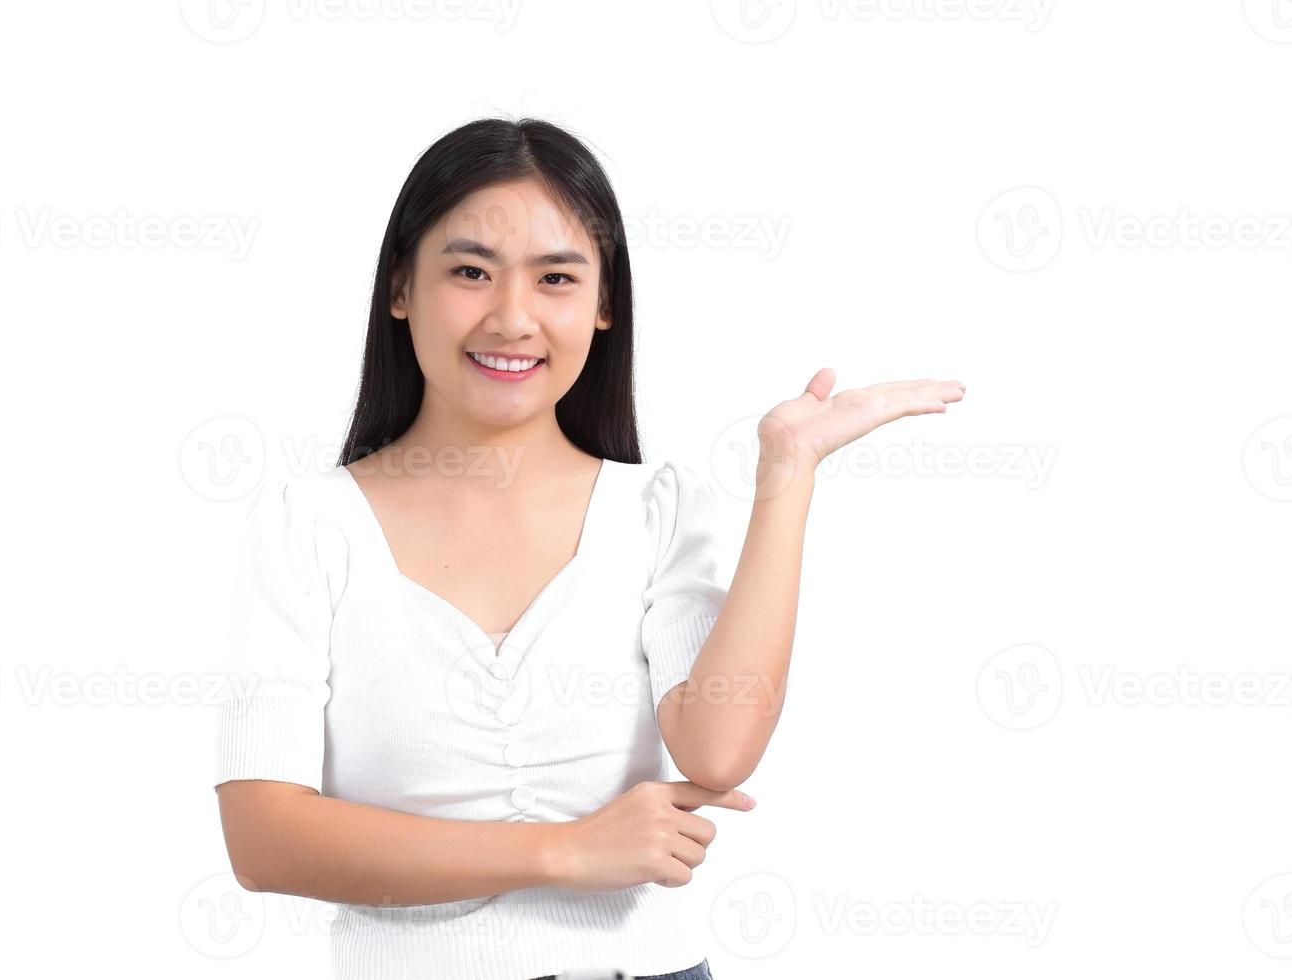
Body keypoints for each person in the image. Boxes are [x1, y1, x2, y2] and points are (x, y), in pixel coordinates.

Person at [211, 116, 966, 980]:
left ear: (604, 306)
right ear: (401, 290)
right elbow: (263, 838)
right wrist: (566, 852)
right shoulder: (308, 525)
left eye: (556, 278)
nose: (512, 317)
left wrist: (787, 475)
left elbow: (718, 752)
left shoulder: (656, 510)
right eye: (469, 272)